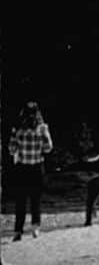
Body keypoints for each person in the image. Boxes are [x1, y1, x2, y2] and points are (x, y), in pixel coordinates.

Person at [8, 101, 52, 241]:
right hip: (37, 167)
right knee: (35, 199)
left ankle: (18, 231)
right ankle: (35, 228)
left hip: (22, 168)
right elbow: (48, 148)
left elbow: (12, 150)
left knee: (20, 200)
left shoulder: (18, 129)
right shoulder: (42, 128)